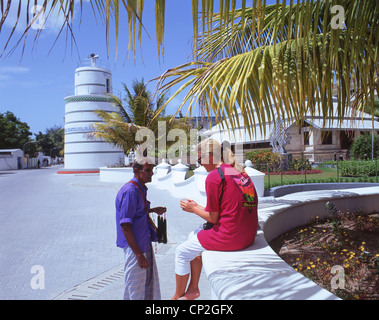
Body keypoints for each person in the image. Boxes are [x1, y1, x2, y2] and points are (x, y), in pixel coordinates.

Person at [171, 139, 258, 300]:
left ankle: (177, 296)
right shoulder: (239, 173)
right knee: (193, 236)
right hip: (248, 235)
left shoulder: (214, 177)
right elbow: (224, 211)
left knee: (181, 252)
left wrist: (192, 208)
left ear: (209, 157)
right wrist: (197, 206)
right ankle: (193, 288)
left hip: (231, 237)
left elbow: (212, 217)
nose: (200, 165)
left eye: (199, 160)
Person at [115, 157, 167, 300]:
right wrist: (139, 255)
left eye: (152, 170)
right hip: (135, 248)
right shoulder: (131, 191)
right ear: (137, 171)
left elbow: (135, 213)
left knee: (147, 285)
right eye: (148, 170)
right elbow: (125, 225)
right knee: (135, 289)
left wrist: (153, 210)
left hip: (143, 244)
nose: (151, 173)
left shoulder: (139, 188)